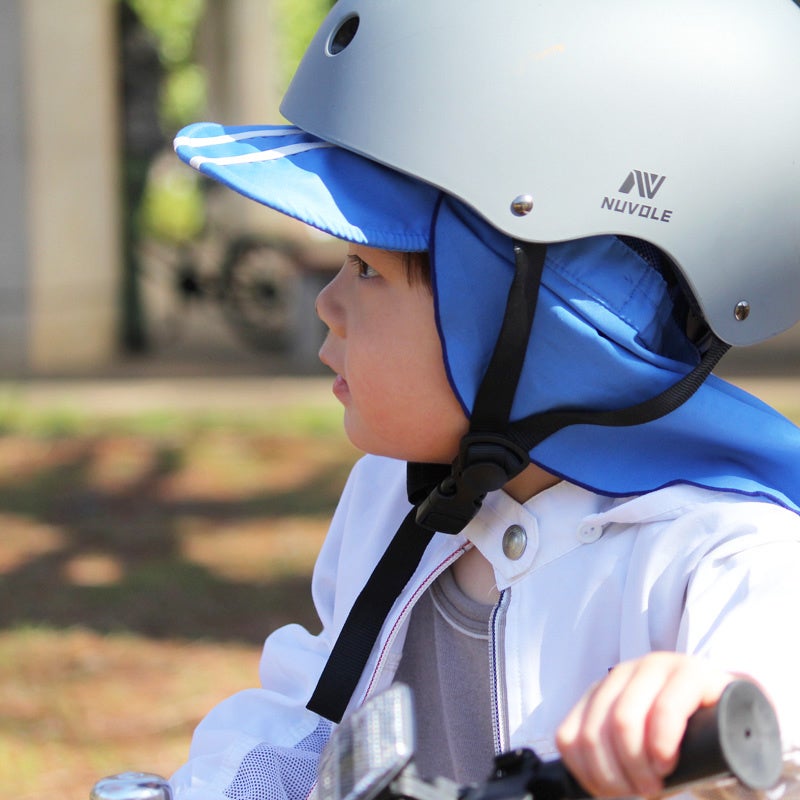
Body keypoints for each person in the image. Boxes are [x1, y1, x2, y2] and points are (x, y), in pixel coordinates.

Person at [171, 2, 800, 798]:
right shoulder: (397, 493)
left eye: (368, 268)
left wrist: (712, 706)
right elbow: (311, 717)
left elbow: (776, 696)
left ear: (544, 324)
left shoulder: (724, 559)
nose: (328, 302)